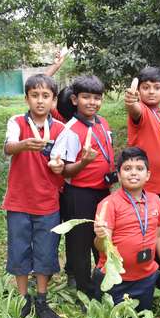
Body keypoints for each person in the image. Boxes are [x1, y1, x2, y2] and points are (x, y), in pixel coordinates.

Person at [2, 74, 66, 318]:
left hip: (48, 201)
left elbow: (60, 161)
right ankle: (22, 298)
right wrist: (23, 145)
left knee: (46, 250)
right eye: (35, 95)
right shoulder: (17, 122)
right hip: (18, 201)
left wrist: (59, 166)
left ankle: (41, 298)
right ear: (26, 98)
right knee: (18, 249)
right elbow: (9, 146)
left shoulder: (60, 129)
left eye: (46, 96)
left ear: (53, 100)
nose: (40, 101)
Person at [51, 75, 115, 300]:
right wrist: (85, 162)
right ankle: (83, 290)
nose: (92, 102)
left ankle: (101, 283)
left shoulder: (102, 122)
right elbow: (64, 171)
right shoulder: (70, 130)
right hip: (79, 193)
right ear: (75, 99)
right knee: (79, 242)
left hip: (102, 191)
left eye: (97, 98)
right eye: (86, 97)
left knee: (101, 238)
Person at [93, 147, 160, 311]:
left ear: (148, 175)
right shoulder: (108, 204)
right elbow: (101, 246)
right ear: (118, 175)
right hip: (115, 279)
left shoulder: (155, 200)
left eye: (139, 169)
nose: (133, 173)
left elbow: (158, 235)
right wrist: (100, 236)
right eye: (127, 169)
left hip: (146, 278)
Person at [124, 67, 160, 286]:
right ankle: (146, 276)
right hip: (146, 188)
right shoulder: (142, 111)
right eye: (146, 88)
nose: (151, 92)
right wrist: (131, 101)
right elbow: (134, 109)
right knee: (146, 232)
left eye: (156, 87)